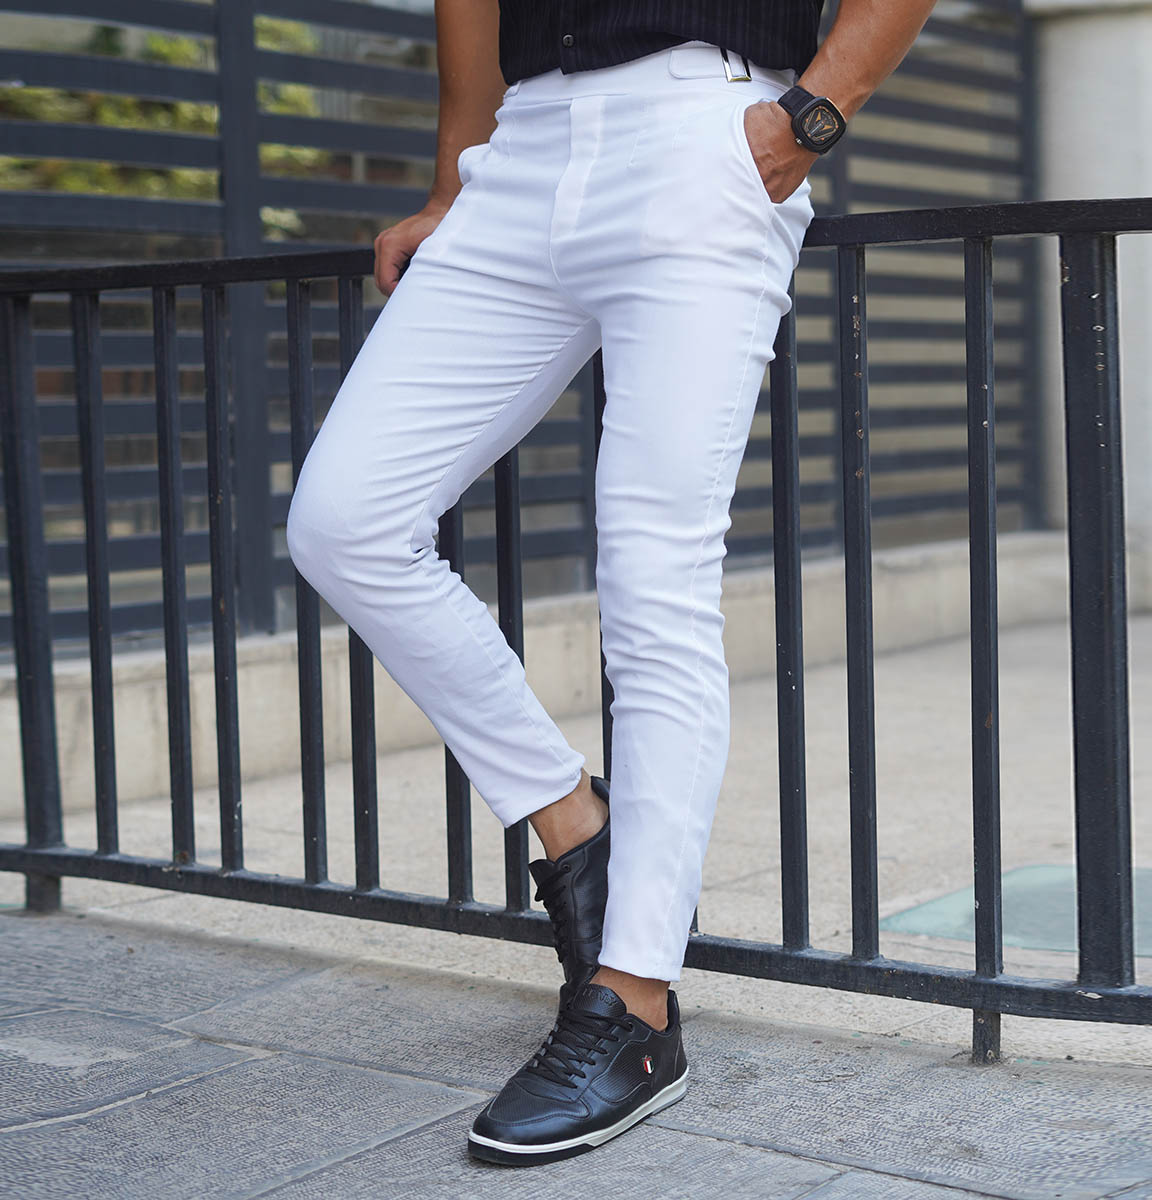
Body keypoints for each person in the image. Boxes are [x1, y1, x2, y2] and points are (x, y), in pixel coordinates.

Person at [286, 0, 937, 1166]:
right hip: (522, 153)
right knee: (343, 522)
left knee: (655, 576)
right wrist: (451, 182)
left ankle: (633, 1007)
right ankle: (572, 820)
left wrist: (807, 119)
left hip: (706, 132)